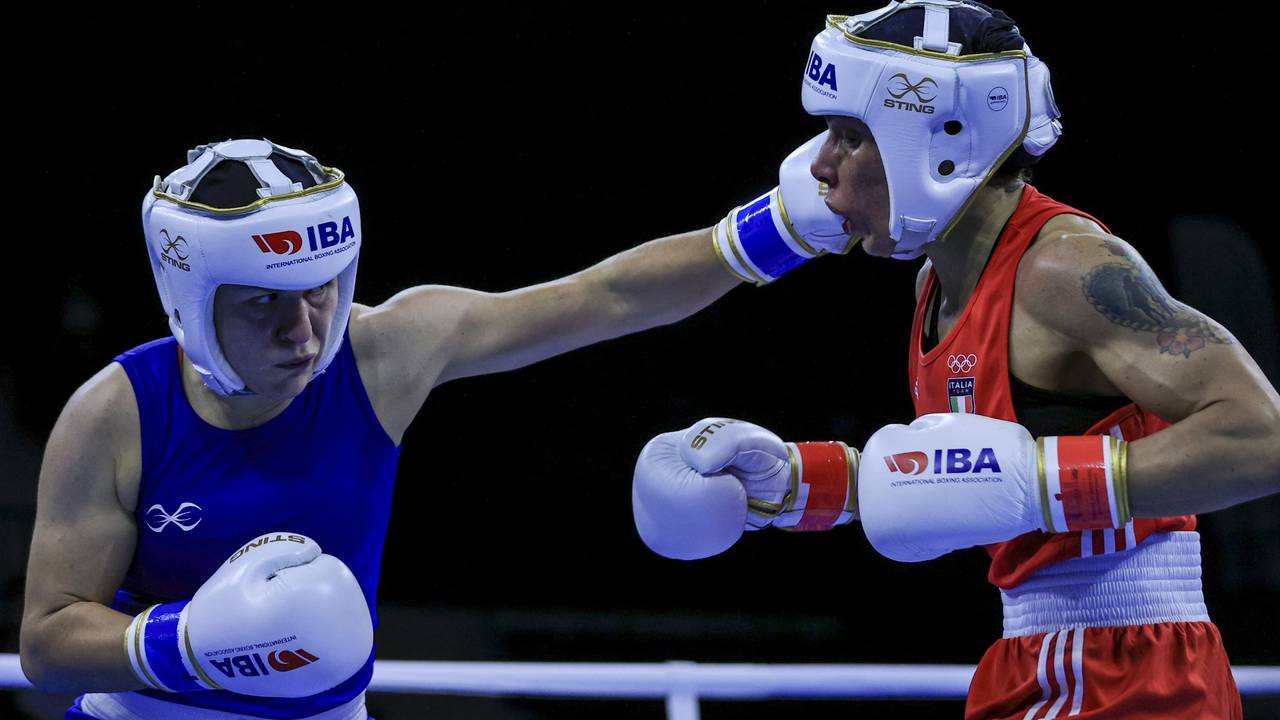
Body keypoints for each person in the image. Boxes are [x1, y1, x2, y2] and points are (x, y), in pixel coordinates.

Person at [18, 134, 848, 719]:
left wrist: (779, 229)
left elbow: (605, 297)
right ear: (192, 304)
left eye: (319, 291)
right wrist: (190, 642)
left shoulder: (382, 353)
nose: (304, 332)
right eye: (265, 302)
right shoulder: (116, 412)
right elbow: (48, 645)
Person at [633, 2, 1280, 718]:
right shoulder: (935, 283)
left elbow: (1262, 435)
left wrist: (1040, 486)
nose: (820, 166)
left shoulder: (1066, 267)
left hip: (1135, 670)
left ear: (937, 144)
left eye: (850, 136)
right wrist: (791, 485)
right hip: (1034, 659)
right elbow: (967, 478)